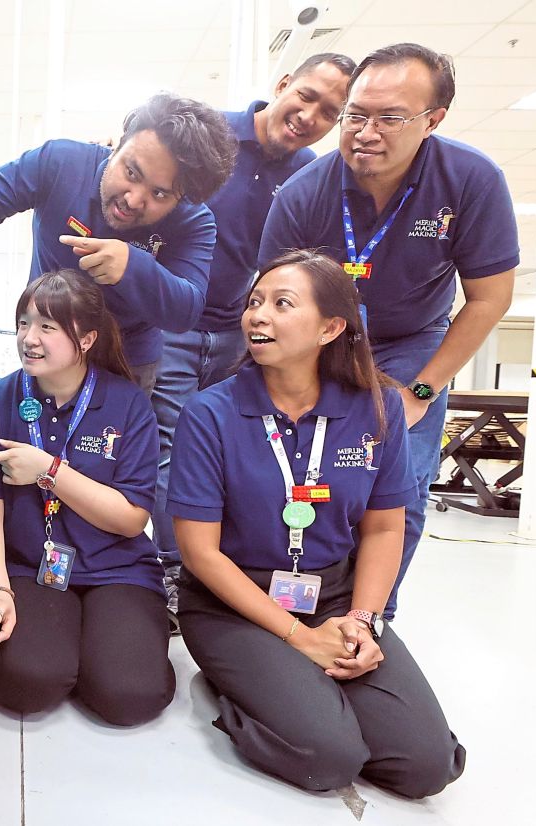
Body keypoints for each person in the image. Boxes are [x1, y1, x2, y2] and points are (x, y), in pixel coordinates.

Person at [168, 250, 464, 797]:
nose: (258, 315)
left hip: (333, 596)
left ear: (331, 326)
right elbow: (200, 554)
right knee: (327, 757)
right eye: (255, 302)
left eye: (282, 304)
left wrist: (364, 620)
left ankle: (294, 685)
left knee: (425, 767)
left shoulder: (378, 409)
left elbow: (383, 529)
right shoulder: (210, 413)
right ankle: (241, 682)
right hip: (234, 604)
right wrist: (298, 640)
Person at [259, 43, 518, 618]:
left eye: (390, 118)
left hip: (413, 342)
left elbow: (489, 298)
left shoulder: (470, 181)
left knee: (398, 487)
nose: (365, 132)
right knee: (306, 476)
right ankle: (299, 608)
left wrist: (422, 390)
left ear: (433, 120)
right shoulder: (305, 194)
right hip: (319, 341)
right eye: (355, 114)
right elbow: (274, 305)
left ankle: (368, 617)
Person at [150, 53, 355, 615]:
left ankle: (230, 565)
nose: (310, 115)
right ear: (284, 84)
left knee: (239, 450)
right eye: (307, 95)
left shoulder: (314, 173)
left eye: (330, 111)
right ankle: (175, 570)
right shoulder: (211, 138)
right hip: (175, 323)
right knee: (171, 444)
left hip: (244, 333)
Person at [0, 269, 173, 726]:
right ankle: (69, 646)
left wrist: (50, 472)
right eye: (23, 323)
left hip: (118, 568)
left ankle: (101, 648)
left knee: (131, 696)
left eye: (47, 327)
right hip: (33, 568)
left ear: (88, 338)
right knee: (27, 682)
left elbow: (132, 519)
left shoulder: (128, 403)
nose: (28, 339)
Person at [0, 94, 237, 391]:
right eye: (131, 172)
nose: (133, 199)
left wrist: (132, 267)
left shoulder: (193, 221)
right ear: (118, 145)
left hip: (128, 364)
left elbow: (186, 310)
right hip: (46, 347)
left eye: (160, 194)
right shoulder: (61, 163)